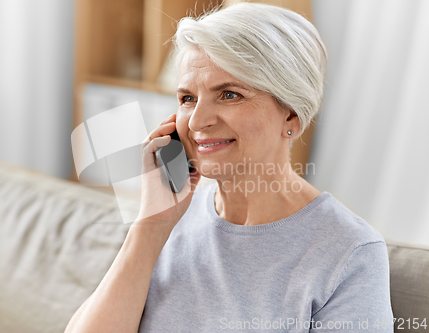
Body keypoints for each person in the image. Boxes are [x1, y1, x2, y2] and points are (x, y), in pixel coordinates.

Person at [65, 3, 393, 332]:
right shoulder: (168, 221)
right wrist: (150, 227)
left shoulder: (350, 252)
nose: (197, 121)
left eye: (230, 95)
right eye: (187, 98)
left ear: (291, 116)